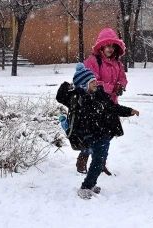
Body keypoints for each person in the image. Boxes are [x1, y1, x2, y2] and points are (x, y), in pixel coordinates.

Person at [56, 63, 139, 199]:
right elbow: (60, 97)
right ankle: (86, 187)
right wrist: (67, 85)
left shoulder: (100, 95)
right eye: (91, 82)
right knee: (98, 161)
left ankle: (91, 184)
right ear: (83, 85)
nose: (95, 83)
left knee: (99, 161)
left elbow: (114, 107)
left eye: (94, 80)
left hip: (104, 133)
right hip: (91, 135)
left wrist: (129, 111)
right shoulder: (77, 99)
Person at [75, 28, 128, 175]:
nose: (110, 49)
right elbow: (92, 82)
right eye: (107, 46)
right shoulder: (93, 61)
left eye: (113, 46)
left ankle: (101, 162)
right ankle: (84, 157)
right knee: (93, 134)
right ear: (101, 46)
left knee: (108, 134)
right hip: (95, 106)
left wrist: (121, 86)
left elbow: (123, 78)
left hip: (111, 105)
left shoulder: (118, 63)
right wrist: (112, 87)